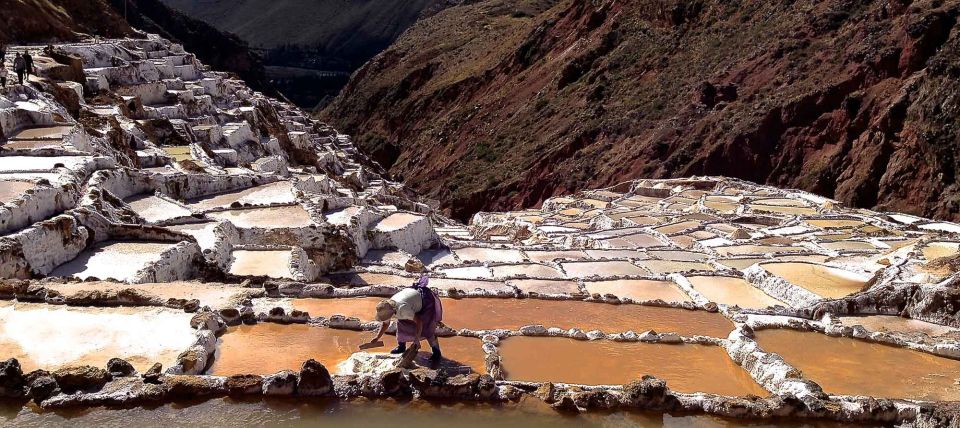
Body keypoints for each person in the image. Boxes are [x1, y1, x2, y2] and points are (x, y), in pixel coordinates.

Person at [369, 273, 443, 362]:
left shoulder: (403, 309)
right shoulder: (387, 308)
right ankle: (401, 347)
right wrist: (377, 337)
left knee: (427, 329)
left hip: (424, 301)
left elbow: (419, 321)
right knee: (402, 324)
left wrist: (416, 338)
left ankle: (436, 352)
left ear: (392, 312)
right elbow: (385, 324)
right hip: (410, 301)